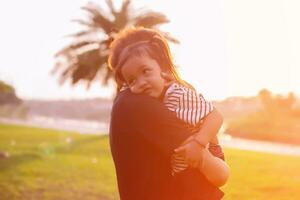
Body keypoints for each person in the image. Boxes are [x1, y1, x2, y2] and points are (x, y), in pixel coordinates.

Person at [108, 27, 229, 200]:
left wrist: (201, 142)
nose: (141, 83)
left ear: (161, 66)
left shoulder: (172, 95)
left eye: (146, 71)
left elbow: (214, 120)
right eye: (132, 79)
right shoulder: (136, 103)